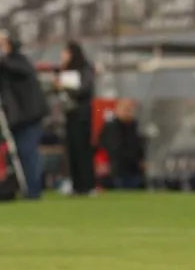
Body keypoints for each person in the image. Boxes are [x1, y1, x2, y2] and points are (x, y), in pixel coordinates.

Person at [0, 31, 49, 199]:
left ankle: (34, 191)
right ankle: (26, 187)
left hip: (28, 116)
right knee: (21, 153)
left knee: (28, 152)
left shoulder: (19, 61)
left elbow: (19, 70)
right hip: (17, 118)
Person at [56, 41, 96, 196]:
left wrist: (65, 85)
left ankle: (87, 184)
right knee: (71, 149)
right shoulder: (66, 70)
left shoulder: (84, 69)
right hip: (70, 113)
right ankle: (76, 184)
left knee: (82, 149)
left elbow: (83, 89)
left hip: (81, 114)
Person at [99, 99, 146, 189]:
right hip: (117, 169)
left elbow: (140, 146)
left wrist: (141, 160)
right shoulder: (111, 127)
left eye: (130, 110)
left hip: (134, 169)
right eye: (125, 109)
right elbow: (109, 147)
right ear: (117, 110)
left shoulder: (135, 126)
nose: (128, 112)